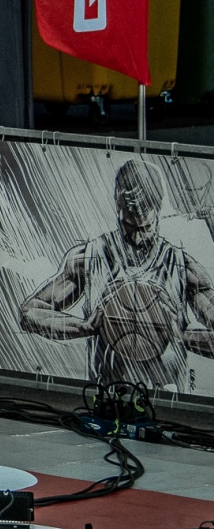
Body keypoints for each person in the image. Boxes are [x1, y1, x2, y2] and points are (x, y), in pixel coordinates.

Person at [19, 159, 214, 394]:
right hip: (106, 398)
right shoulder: (89, 257)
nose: (137, 238)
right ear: (116, 206)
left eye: (146, 228)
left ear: (158, 209)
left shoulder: (182, 266)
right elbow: (29, 313)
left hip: (166, 401)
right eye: (128, 227)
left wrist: (182, 335)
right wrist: (83, 327)